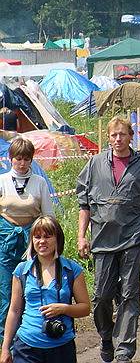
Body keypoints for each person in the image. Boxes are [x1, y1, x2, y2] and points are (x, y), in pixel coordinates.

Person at [77, 117, 140, 363]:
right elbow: (84, 204)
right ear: (108, 137)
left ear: (131, 136)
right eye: (113, 135)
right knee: (101, 296)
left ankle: (125, 350)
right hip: (102, 240)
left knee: (129, 294)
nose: (118, 139)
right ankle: (106, 336)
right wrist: (81, 236)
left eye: (122, 135)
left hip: (134, 238)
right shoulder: (94, 164)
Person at [1, 216, 91, 363]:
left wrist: (64, 309)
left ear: (57, 239)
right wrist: (5, 348)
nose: (42, 241)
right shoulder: (21, 270)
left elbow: (85, 308)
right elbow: (14, 310)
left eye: (48, 236)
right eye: (37, 237)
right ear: (32, 241)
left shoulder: (72, 269)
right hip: (26, 348)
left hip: (62, 347)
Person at [0, 138, 54, 342]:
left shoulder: (39, 182)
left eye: (26, 159)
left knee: (33, 285)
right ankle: (7, 341)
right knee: (6, 289)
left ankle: (32, 333)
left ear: (31, 160)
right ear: (10, 158)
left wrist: (49, 241)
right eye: (18, 159)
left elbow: (48, 215)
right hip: (6, 239)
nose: (22, 164)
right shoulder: (2, 181)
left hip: (33, 239)